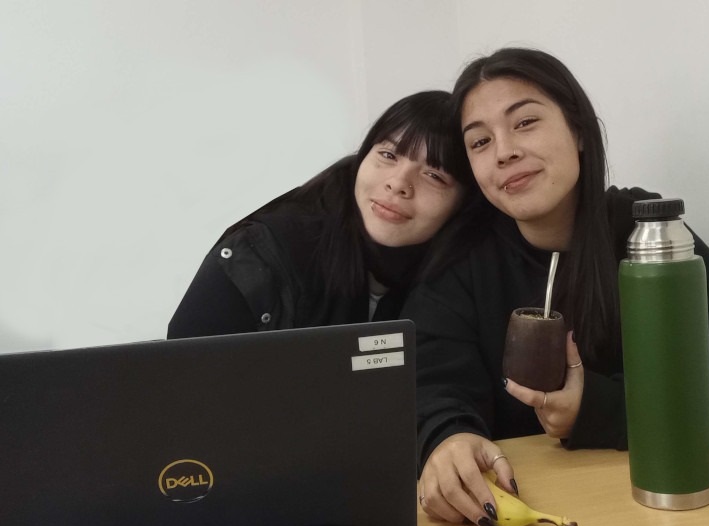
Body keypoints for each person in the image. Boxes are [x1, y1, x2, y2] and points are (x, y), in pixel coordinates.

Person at [404, 48, 709, 526]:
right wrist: (447, 436)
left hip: (671, 519)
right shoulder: (461, 261)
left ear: (579, 131)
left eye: (525, 122)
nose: (503, 151)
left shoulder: (648, 235)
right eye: (480, 142)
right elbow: (429, 385)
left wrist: (601, 409)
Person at [167, 90, 477, 339]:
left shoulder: (466, 277)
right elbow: (182, 382)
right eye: (387, 155)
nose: (398, 184)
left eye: (435, 175)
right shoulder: (262, 253)